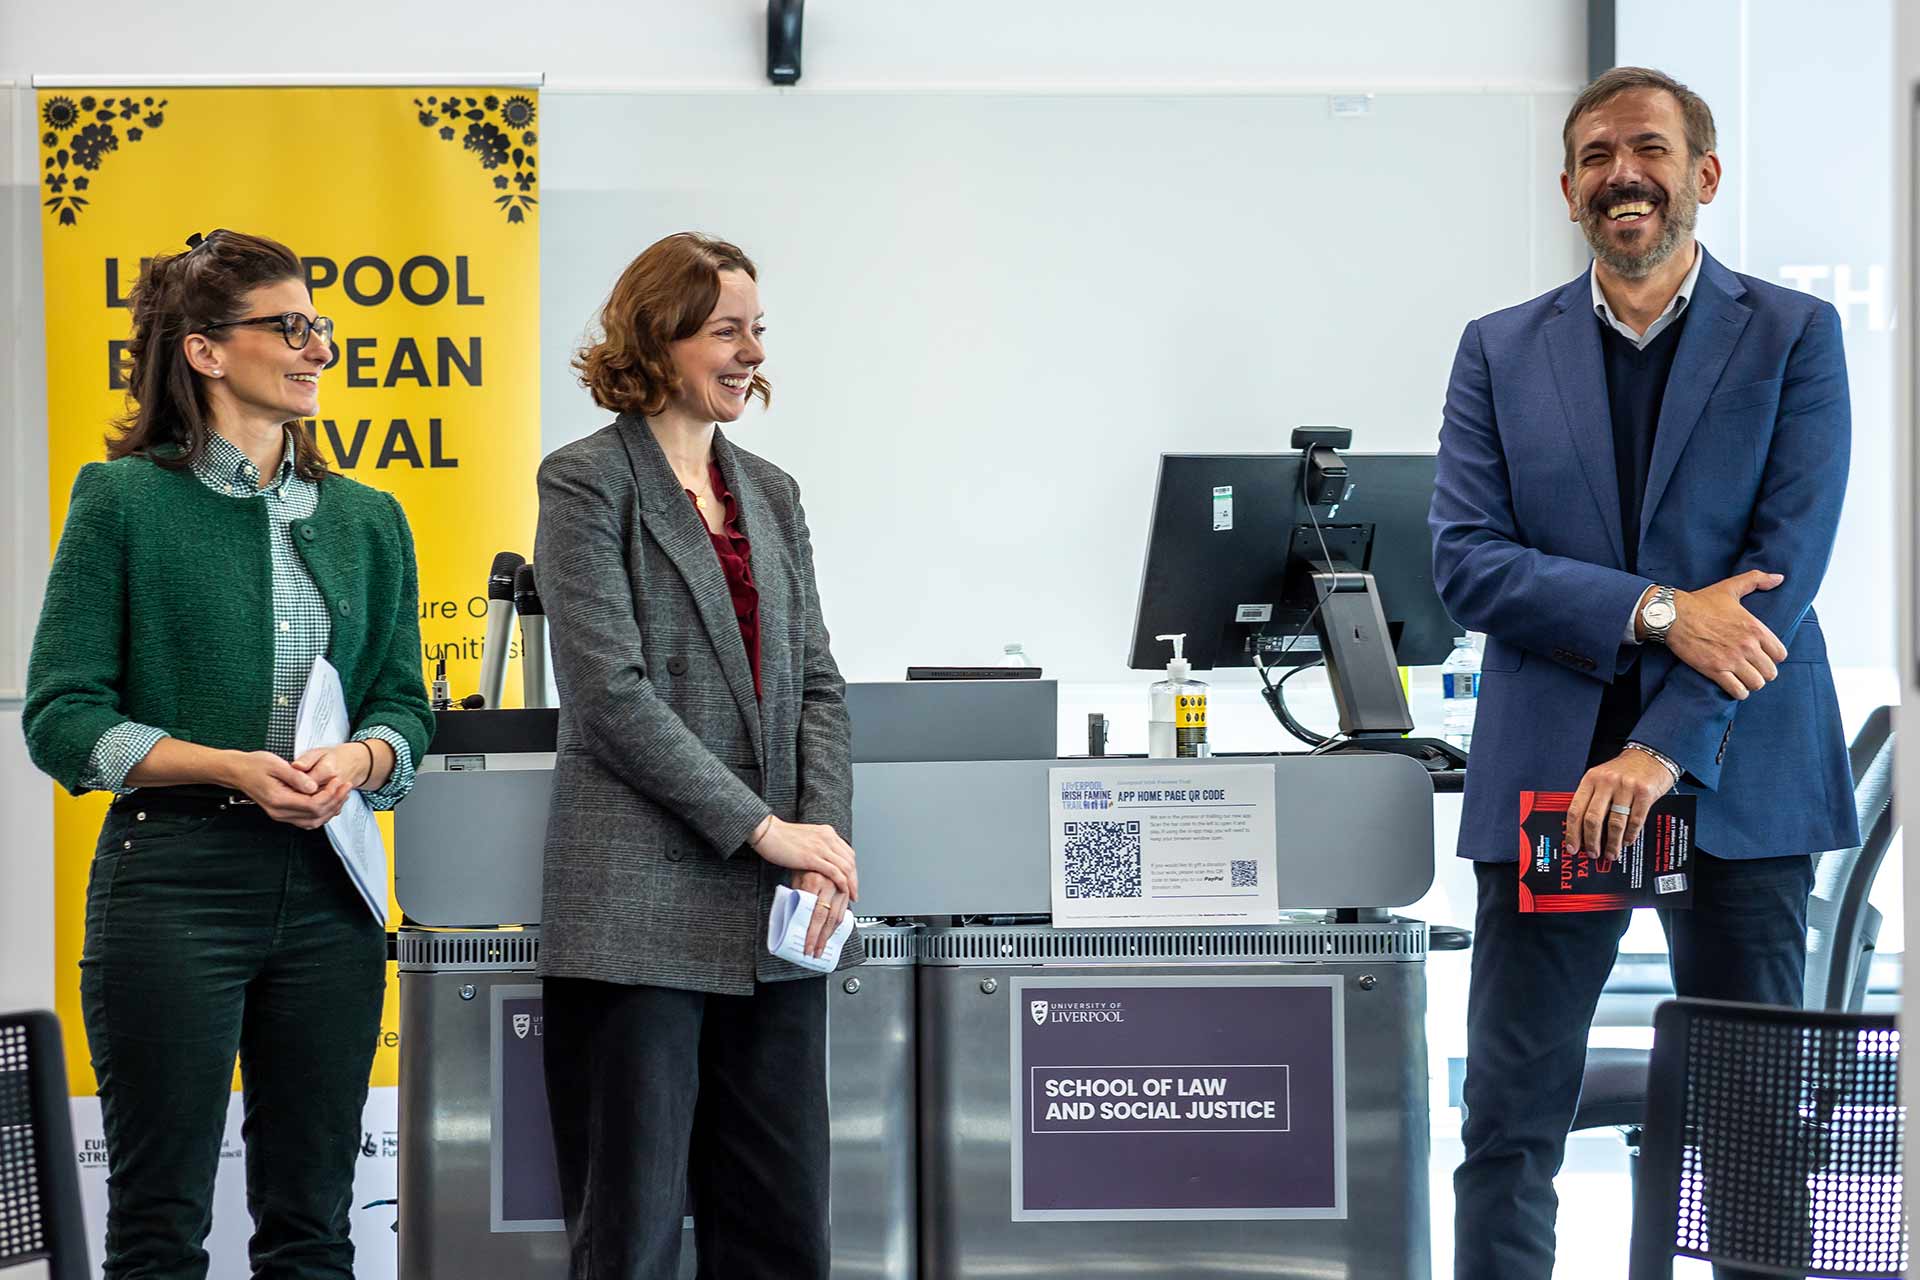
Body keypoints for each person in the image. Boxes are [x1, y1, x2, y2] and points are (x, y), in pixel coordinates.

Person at [1429, 67, 1854, 1280]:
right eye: (1600, 154)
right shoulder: (1500, 350)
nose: (1626, 173)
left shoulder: (1793, 335)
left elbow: (1781, 574)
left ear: (1703, 176)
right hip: (1552, 786)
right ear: (1568, 188)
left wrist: (1658, 747)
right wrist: (1664, 611)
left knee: (1758, 1129)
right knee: (1509, 1124)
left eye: (1652, 149)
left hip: (1739, 772)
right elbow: (1469, 563)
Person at [21, 228, 435, 1278]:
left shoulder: (368, 519)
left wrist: (367, 759)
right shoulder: (121, 503)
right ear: (205, 351)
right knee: (159, 1227)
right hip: (174, 882)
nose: (317, 348)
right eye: (288, 327)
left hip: (333, 890)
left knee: (315, 1227)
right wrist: (228, 763)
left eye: (321, 326)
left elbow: (402, 701)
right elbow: (62, 716)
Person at [535, 231, 861, 1280]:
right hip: (634, 913)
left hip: (774, 925)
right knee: (627, 1235)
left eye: (757, 330)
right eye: (726, 329)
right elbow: (609, 694)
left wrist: (817, 842)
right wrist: (766, 826)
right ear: (658, 334)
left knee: (781, 1231)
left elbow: (816, 679)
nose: (750, 352)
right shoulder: (586, 481)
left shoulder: (773, 491)